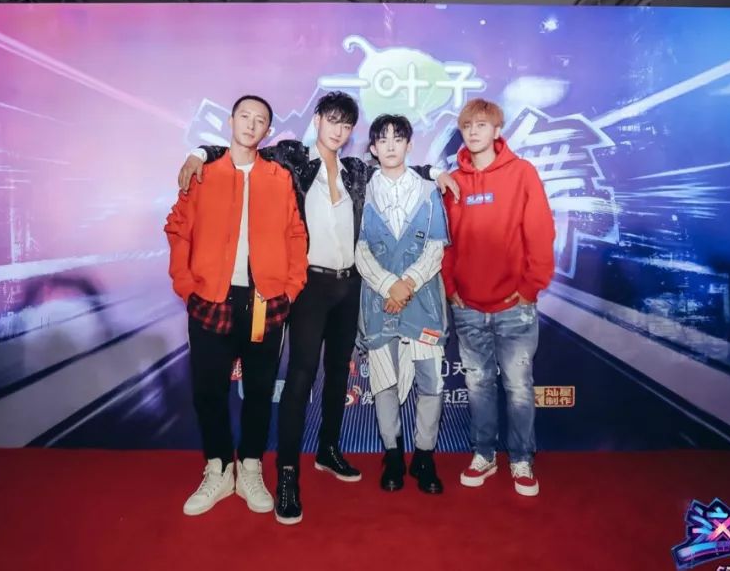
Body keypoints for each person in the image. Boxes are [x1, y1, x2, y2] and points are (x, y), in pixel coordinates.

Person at [177, 91, 459, 524]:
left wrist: (436, 172)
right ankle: (287, 474)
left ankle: (329, 449)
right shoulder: (291, 159)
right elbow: (242, 148)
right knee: (301, 374)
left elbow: (399, 167)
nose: (338, 130)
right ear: (317, 120)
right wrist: (200, 152)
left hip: (352, 283)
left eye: (346, 125)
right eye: (332, 120)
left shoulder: (356, 170)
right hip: (310, 284)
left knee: (338, 371)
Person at [164, 95, 308, 516]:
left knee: (260, 391)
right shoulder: (203, 173)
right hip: (211, 296)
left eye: (260, 120)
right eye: (245, 116)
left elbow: (296, 234)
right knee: (208, 390)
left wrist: (290, 289)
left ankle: (250, 467)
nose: (251, 124)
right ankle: (218, 468)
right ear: (230, 121)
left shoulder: (279, 177)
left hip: (265, 300)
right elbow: (178, 230)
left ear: (267, 131)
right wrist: (187, 286)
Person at [442, 98, 555, 497]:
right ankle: (484, 454)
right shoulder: (453, 182)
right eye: (467, 125)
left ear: (497, 130)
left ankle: (521, 459)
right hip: (468, 308)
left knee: (519, 387)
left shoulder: (522, 173)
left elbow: (540, 233)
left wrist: (529, 288)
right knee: (478, 386)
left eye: (481, 125)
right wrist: (451, 289)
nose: (473, 132)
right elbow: (446, 242)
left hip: (514, 308)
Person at [355, 114, 450, 495]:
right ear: (373, 148)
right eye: (383, 139)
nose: (391, 145)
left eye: (398, 138)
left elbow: (436, 248)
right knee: (383, 383)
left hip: (423, 300)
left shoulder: (428, 191)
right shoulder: (362, 191)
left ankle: (424, 455)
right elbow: (359, 249)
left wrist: (407, 284)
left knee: (431, 381)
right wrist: (387, 286)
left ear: (410, 145)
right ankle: (392, 455)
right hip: (378, 302)